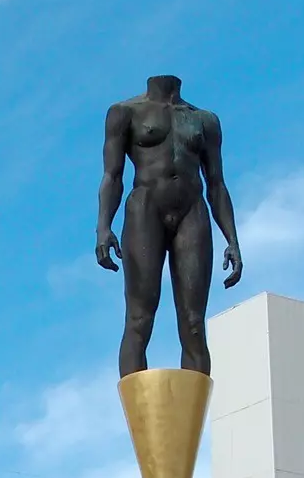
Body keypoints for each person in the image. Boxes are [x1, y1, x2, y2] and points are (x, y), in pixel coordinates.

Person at [97, 76, 243, 377]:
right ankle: (140, 420)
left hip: (192, 211)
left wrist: (232, 239)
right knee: (139, 319)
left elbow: (216, 184)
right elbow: (112, 176)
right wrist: (103, 227)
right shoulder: (125, 113)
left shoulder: (205, 120)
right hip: (145, 209)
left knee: (193, 324)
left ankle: (192, 421)